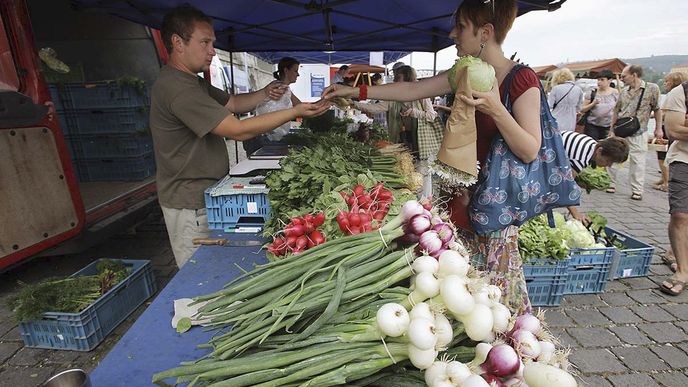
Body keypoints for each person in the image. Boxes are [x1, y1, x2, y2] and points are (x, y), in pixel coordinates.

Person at [323, 0, 542, 315]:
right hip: (462, 195)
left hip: (497, 208)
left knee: (498, 299)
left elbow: (529, 148)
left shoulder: (522, 80)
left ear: (485, 32)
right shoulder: (464, 71)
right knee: (463, 289)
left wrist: (495, 107)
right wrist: (354, 93)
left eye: (461, 27)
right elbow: (412, 90)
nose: (453, 34)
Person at [150, 5, 329, 267]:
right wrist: (295, 112)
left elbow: (233, 103)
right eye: (205, 42)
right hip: (189, 202)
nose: (212, 50)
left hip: (205, 195)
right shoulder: (177, 88)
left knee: (213, 268)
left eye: (213, 42)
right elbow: (237, 129)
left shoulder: (194, 82)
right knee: (197, 275)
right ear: (178, 42)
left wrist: (266, 92)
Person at [606, 64, 662, 201]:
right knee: (614, 158)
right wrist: (612, 129)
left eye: (624, 76)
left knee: (638, 161)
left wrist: (658, 128)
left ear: (634, 75)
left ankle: (637, 190)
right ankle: (610, 183)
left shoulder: (652, 88)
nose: (622, 79)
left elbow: (657, 109)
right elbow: (616, 110)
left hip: (639, 130)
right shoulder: (624, 91)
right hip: (621, 130)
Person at [560, 131, 629, 223]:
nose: (608, 165)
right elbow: (562, 187)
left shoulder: (590, 142)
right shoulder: (580, 158)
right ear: (599, 151)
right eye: (608, 161)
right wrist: (576, 214)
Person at [659, 81, 688, 295]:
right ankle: (683, 272)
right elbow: (674, 129)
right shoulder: (680, 92)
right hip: (683, 159)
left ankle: (675, 253)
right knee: (680, 215)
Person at [653, 72, 688, 193]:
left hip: (666, 130)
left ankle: (666, 180)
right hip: (671, 130)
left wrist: (654, 116)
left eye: (667, 81)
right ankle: (664, 179)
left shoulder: (673, 95)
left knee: (663, 157)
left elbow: (663, 113)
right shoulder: (678, 94)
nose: (665, 83)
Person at [255, 57, 303, 141]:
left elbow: (299, 105)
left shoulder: (284, 88)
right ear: (286, 71)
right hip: (269, 137)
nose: (298, 74)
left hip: (272, 135)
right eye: (295, 71)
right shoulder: (279, 89)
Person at [580, 69, 618, 140]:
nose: (599, 82)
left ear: (609, 80)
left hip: (608, 126)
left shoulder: (615, 93)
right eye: (598, 80)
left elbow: (618, 109)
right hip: (592, 125)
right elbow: (582, 109)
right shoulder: (592, 92)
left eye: (602, 80)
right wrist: (593, 104)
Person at [547, 68, 584, 132]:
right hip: (571, 120)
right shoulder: (578, 89)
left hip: (556, 118)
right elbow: (579, 108)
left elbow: (549, 105)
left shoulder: (555, 89)